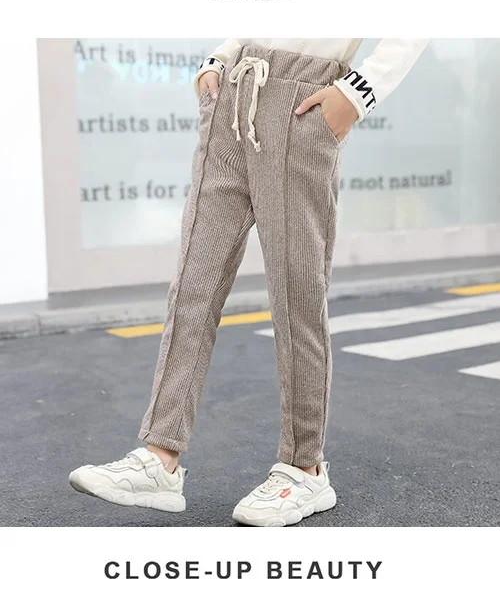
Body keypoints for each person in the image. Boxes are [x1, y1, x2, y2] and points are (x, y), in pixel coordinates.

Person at [69, 38, 428, 527]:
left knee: (297, 298)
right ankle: (159, 458)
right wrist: (218, 58)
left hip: (303, 103)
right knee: (193, 287)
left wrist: (358, 92)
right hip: (233, 94)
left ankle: (304, 468)